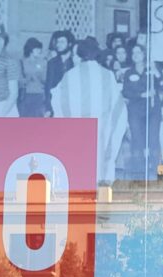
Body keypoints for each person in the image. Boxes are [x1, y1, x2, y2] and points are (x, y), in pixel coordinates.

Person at [51, 36, 127, 183]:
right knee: (101, 157)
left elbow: (58, 99)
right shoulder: (107, 74)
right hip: (102, 125)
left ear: (80, 55)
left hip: (78, 126)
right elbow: (117, 104)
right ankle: (102, 189)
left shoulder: (71, 75)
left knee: (80, 158)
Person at [122, 42, 163, 179]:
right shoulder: (129, 73)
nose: (136, 55)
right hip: (135, 110)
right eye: (133, 53)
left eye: (139, 52)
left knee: (153, 138)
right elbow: (125, 92)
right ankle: (139, 169)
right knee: (137, 138)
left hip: (153, 109)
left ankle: (154, 168)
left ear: (144, 54)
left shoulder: (152, 70)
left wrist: (157, 73)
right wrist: (140, 95)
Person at [19, 37, 48, 117]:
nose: (40, 51)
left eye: (40, 49)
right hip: (26, 95)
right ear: (31, 49)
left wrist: (36, 75)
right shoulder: (22, 62)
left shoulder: (43, 62)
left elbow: (45, 79)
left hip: (40, 95)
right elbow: (20, 81)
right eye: (37, 49)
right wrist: (29, 78)